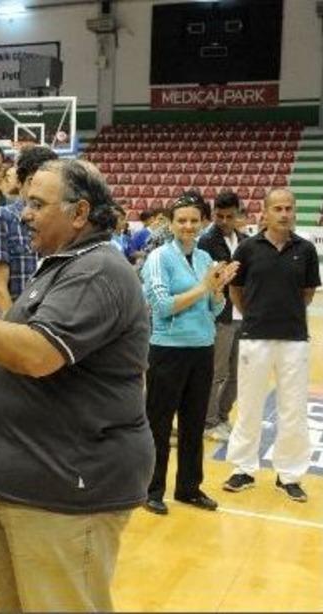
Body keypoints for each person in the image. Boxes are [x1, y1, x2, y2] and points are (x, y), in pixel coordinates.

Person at [0, 159, 155, 611]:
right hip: (32, 484)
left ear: (79, 213)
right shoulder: (63, 264)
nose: (25, 215)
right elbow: (52, 346)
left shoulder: (97, 270)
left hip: (66, 490)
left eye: (37, 204)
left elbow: (38, 354)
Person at [140, 194, 238, 516]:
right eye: (181, 220)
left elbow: (215, 309)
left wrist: (218, 291)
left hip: (201, 348)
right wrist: (203, 287)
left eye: (194, 220)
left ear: (203, 223)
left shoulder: (205, 258)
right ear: (170, 223)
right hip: (168, 350)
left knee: (194, 424)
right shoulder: (158, 258)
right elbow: (162, 306)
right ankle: (151, 488)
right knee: (159, 423)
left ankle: (188, 488)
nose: (188, 226)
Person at [223, 188, 320, 503]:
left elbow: (307, 293)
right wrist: (256, 315)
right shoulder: (247, 248)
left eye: (289, 208)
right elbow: (236, 291)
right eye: (277, 208)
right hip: (255, 337)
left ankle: (289, 475)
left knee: (293, 410)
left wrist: (285, 313)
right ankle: (243, 469)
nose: (284, 213)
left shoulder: (306, 249)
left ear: (294, 211)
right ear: (264, 213)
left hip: (294, 339)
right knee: (249, 405)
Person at [0, 145, 57, 317]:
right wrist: (14, 331)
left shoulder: (54, 223)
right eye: (33, 181)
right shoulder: (0, 218)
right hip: (8, 324)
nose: (40, 188)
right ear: (20, 183)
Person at [197, 189, 248, 442]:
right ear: (215, 213)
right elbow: (205, 280)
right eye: (220, 216)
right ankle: (208, 422)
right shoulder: (206, 241)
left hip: (245, 314)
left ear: (238, 214)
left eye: (229, 216)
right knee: (217, 373)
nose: (224, 221)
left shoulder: (246, 240)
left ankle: (222, 416)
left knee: (238, 374)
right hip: (220, 315)